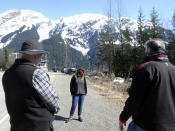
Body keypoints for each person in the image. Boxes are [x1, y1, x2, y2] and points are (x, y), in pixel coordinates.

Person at [2, 41, 60, 131]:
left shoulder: (7, 73)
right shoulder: (36, 74)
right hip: (38, 126)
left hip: (16, 126)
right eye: (41, 55)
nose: (41, 58)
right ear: (36, 56)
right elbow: (54, 102)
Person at [119, 38, 175, 131]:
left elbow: (135, 99)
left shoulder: (145, 68)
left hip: (146, 124)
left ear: (149, 50)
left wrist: (123, 118)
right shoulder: (173, 69)